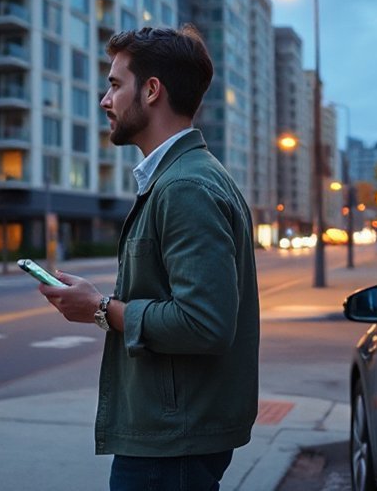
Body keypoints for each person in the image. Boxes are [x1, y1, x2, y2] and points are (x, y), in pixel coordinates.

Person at [38, 25, 260, 491]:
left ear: (152, 90)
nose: (105, 100)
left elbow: (204, 323)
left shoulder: (184, 187)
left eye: (115, 84)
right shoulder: (185, 178)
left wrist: (101, 308)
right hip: (175, 431)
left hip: (172, 441)